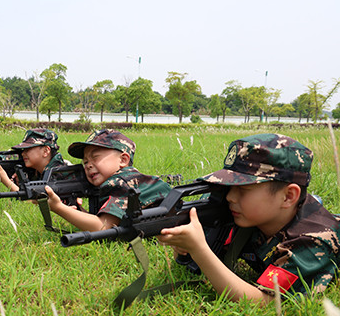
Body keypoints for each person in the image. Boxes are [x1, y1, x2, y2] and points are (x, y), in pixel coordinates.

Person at [158, 133, 340, 303]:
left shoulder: (314, 240)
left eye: (243, 189)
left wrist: (198, 249)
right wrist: (183, 246)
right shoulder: (249, 216)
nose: (230, 197)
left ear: (288, 196)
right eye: (228, 187)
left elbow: (261, 301)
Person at [45, 129, 171, 231]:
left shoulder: (121, 182)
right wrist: (72, 207)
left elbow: (102, 227)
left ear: (123, 160)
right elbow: (98, 220)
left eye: (95, 157)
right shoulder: (126, 178)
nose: (88, 165)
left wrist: (58, 208)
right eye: (85, 161)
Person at [0, 128, 65, 191]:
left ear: (45, 151)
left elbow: (38, 202)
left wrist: (6, 181)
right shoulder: (37, 170)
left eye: (28, 149)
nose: (23, 153)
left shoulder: (60, 173)